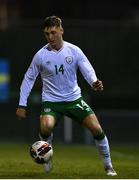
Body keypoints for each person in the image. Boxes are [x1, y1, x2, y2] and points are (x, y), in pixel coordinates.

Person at [16, 15, 117, 176]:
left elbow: (87, 69)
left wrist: (94, 82)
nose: (50, 37)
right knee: (46, 126)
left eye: (53, 33)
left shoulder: (74, 51)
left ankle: (108, 166)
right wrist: (22, 104)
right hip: (52, 101)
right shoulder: (40, 55)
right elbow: (28, 79)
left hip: (74, 99)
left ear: (61, 30)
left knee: (97, 129)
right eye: (47, 34)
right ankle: (47, 158)